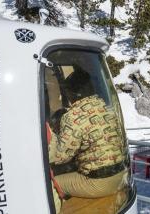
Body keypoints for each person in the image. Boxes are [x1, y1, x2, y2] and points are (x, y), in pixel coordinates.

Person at [47, 70, 127, 212]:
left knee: (53, 184)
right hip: (121, 176)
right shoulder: (104, 106)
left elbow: (60, 156)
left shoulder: (72, 116)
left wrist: (52, 135)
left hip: (100, 182)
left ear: (72, 93)